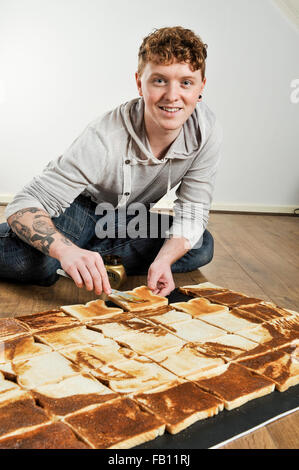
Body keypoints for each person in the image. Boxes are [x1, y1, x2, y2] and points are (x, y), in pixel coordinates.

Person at [0, 26, 222, 297]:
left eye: (186, 82)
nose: (172, 96)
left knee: (199, 245)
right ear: (140, 83)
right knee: (40, 264)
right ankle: (68, 251)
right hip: (80, 208)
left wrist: (164, 260)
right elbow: (23, 204)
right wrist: (65, 251)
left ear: (201, 87)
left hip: (124, 217)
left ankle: (86, 257)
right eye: (160, 81)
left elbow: (194, 210)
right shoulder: (104, 137)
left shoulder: (205, 130)